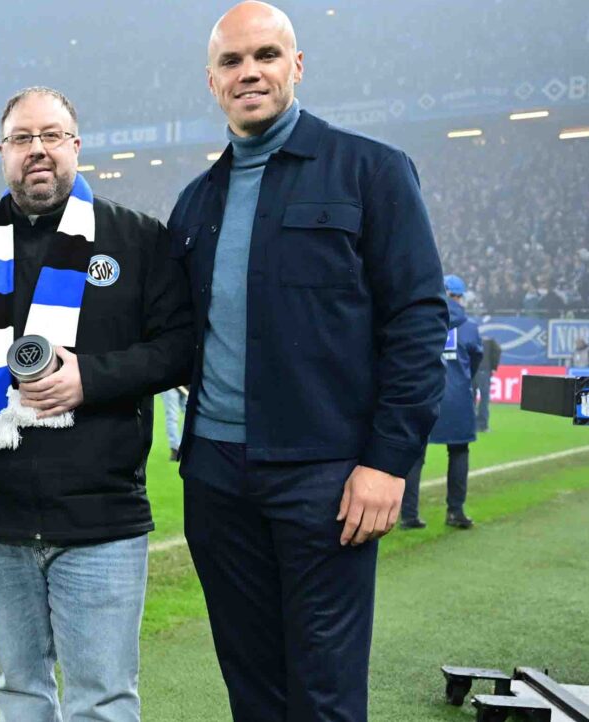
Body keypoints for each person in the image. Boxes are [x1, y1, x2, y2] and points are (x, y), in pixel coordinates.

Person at [167, 3, 447, 720]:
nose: (249, 72)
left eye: (265, 54)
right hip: (217, 483)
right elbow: (170, 340)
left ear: (297, 65)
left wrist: (389, 463)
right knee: (253, 692)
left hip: (326, 478)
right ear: (211, 80)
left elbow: (417, 322)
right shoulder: (195, 204)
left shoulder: (372, 171)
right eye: (232, 61)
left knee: (324, 695)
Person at [0, 86, 193, 722]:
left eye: (52, 135)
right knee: (19, 691)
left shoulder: (136, 240)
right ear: (2, 153)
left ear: (76, 146)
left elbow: (180, 350)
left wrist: (91, 379)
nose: (38, 150)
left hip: (100, 519)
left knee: (102, 699)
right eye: (23, 138)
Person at [401, 275, 482, 531]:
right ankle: (455, 511)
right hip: (457, 396)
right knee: (458, 452)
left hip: (424, 394)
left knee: (415, 455)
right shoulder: (469, 327)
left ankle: (408, 515)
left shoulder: (421, 321)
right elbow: (476, 360)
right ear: (460, 296)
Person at [476, 335, 501, 432]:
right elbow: (498, 351)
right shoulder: (490, 341)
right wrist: (494, 366)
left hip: (472, 370)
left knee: (470, 398)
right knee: (484, 398)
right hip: (484, 370)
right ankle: (483, 425)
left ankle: (471, 424)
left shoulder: (472, 339)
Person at [162, 386, 189, 461]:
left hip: (186, 386)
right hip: (171, 385)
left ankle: (184, 447)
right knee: (172, 416)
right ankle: (175, 449)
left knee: (189, 416)